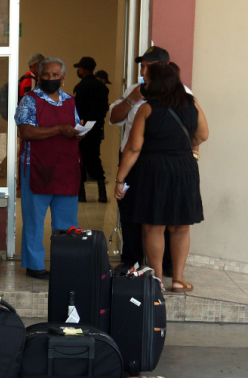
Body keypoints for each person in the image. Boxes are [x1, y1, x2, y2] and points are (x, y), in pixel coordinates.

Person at [114, 63, 208, 292]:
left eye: (147, 80)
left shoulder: (147, 109)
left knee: (154, 226)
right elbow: (203, 134)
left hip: (153, 168)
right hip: (184, 167)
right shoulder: (191, 104)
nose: (144, 83)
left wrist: (120, 179)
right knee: (181, 226)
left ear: (156, 83)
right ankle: (178, 278)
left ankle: (156, 280)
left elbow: (133, 148)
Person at [15, 57, 82, 280]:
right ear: (38, 76)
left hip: (66, 168)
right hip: (36, 167)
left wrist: (77, 132)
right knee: (34, 220)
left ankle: (66, 264)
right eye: (46, 75)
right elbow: (26, 132)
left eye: (55, 75)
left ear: (63, 78)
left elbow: (74, 128)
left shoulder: (70, 101)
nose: (50, 78)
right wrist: (59, 129)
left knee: (67, 223)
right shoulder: (30, 100)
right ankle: (35, 266)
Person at [73, 57, 109, 203]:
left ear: (83, 69)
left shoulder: (80, 87)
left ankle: (81, 194)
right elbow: (102, 109)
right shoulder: (102, 87)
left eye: (79, 68)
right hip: (96, 127)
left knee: (80, 159)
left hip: (82, 128)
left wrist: (80, 128)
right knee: (94, 158)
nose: (78, 71)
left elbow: (78, 110)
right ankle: (102, 193)